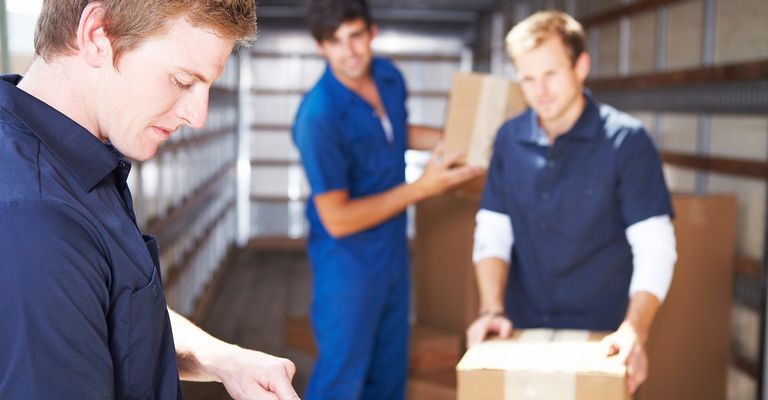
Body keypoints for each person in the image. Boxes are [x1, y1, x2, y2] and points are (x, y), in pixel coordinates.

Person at [0, 1, 299, 399]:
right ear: (96, 35)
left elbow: (107, 311)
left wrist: (224, 359)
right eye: (181, 80)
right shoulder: (38, 221)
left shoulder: (73, 159)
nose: (198, 116)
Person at [466, 10, 677, 394]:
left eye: (550, 74)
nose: (539, 91)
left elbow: (656, 247)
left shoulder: (627, 142)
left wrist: (635, 330)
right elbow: (493, 231)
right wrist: (491, 309)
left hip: (603, 339)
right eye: (528, 79)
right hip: (522, 330)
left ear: (581, 66)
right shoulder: (509, 140)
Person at [291, 0, 482, 398]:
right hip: (348, 264)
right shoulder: (318, 117)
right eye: (335, 41)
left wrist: (460, 144)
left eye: (356, 36)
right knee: (342, 379)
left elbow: (396, 130)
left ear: (372, 32)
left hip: (393, 251)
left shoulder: (389, 76)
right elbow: (337, 219)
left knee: (388, 374)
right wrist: (424, 188)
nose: (350, 51)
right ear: (320, 47)